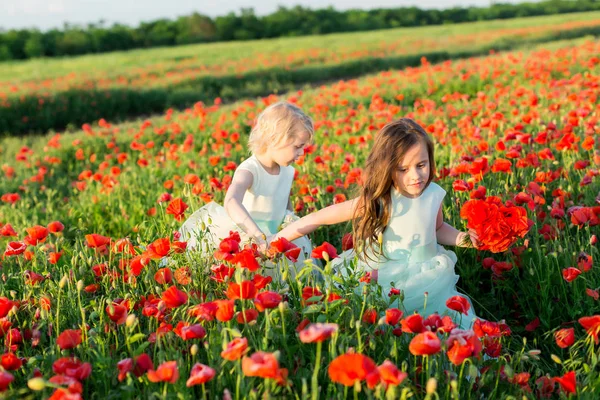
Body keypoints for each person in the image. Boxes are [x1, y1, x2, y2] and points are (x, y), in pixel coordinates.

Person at [274, 118, 480, 328]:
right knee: (393, 324)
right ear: (387, 168)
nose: (416, 176)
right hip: (390, 275)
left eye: (421, 165)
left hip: (429, 274)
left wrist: (465, 239)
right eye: (403, 169)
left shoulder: (433, 193)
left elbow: (436, 229)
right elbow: (320, 217)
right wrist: (277, 240)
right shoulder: (381, 200)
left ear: (430, 159)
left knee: (442, 325)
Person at [177, 101, 314, 277]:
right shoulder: (250, 170)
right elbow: (231, 201)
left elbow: (285, 205)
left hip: (277, 236)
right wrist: (257, 235)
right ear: (275, 139)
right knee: (251, 277)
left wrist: (290, 223)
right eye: (297, 146)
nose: (302, 153)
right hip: (249, 235)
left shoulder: (287, 171)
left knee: (285, 277)